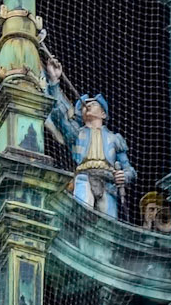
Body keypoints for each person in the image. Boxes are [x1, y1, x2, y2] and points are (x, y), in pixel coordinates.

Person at [45, 64, 136, 219]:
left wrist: (124, 176)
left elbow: (130, 170)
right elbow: (59, 115)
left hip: (108, 183)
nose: (88, 105)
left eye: (93, 104)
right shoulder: (76, 134)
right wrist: (54, 81)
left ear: (103, 113)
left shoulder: (115, 138)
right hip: (84, 177)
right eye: (85, 106)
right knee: (81, 215)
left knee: (109, 224)